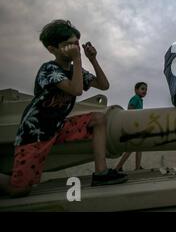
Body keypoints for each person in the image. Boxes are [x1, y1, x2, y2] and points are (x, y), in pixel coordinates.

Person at [0, 20, 127, 197]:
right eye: (68, 45)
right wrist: (77, 58)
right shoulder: (48, 70)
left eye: (76, 43)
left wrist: (93, 59)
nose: (74, 47)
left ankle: (101, 173)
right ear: (53, 49)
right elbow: (76, 89)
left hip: (58, 127)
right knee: (19, 189)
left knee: (98, 118)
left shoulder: (76, 69)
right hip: (35, 134)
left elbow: (104, 85)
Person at [115, 82, 148, 171]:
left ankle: (137, 167)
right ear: (136, 90)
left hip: (137, 126)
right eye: (142, 89)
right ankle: (118, 167)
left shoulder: (140, 100)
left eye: (146, 89)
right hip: (133, 126)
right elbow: (130, 108)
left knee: (139, 148)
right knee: (132, 148)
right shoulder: (135, 98)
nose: (144, 91)